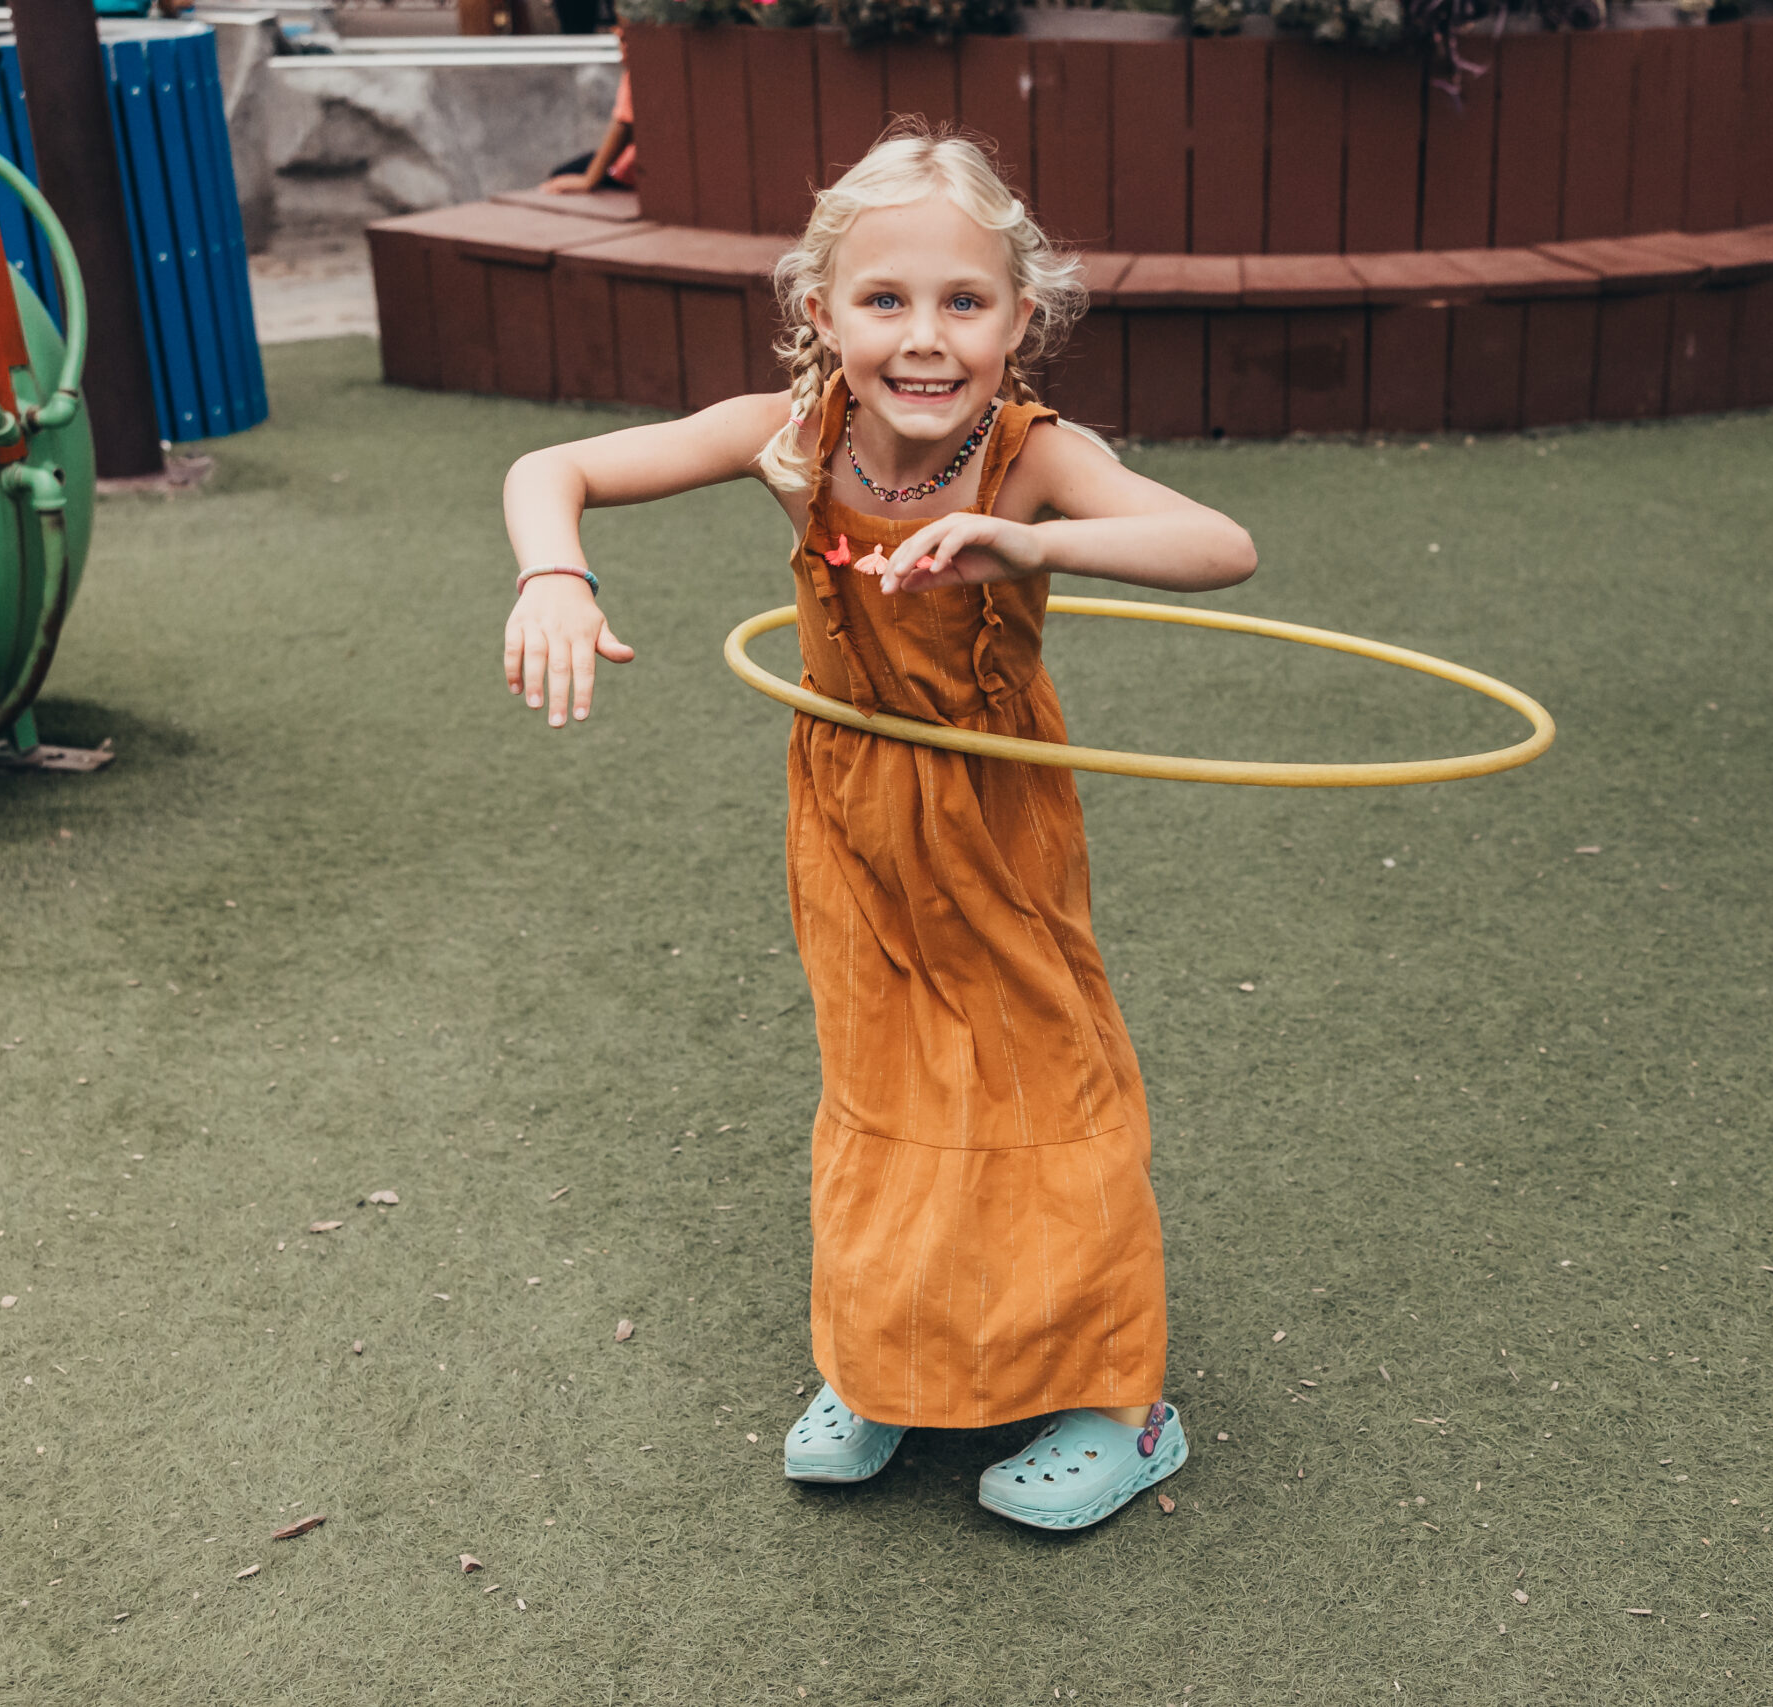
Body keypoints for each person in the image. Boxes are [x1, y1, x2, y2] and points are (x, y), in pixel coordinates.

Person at [498, 123, 1256, 1531]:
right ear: (821, 312)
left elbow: (1218, 544)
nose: (925, 338)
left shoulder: (1034, 455)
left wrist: (1035, 541)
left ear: (1021, 319)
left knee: (1045, 1087)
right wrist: (554, 571)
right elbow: (556, 467)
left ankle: (1121, 1400)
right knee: (883, 1079)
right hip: (847, 818)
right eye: (885, 301)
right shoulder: (789, 435)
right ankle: (889, 1363)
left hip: (990, 817)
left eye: (964, 303)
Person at [542, 38, 633, 195]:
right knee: (559, 174)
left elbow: (624, 127)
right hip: (625, 161)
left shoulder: (639, 73)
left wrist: (588, 180)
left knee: (556, 183)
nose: (622, 48)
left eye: (625, 40)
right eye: (620, 40)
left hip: (627, 169)